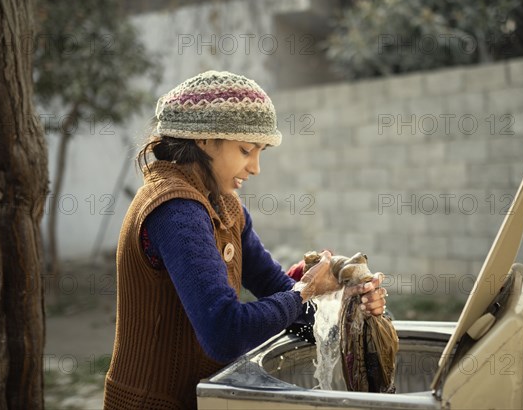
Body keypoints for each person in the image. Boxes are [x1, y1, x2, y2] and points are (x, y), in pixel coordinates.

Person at [103, 71, 387, 409]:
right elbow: (225, 333)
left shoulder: (224, 206)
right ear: (204, 140)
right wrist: (304, 291)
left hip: (203, 396)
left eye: (260, 151)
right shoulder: (175, 209)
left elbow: (278, 292)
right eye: (245, 150)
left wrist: (349, 302)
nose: (255, 167)